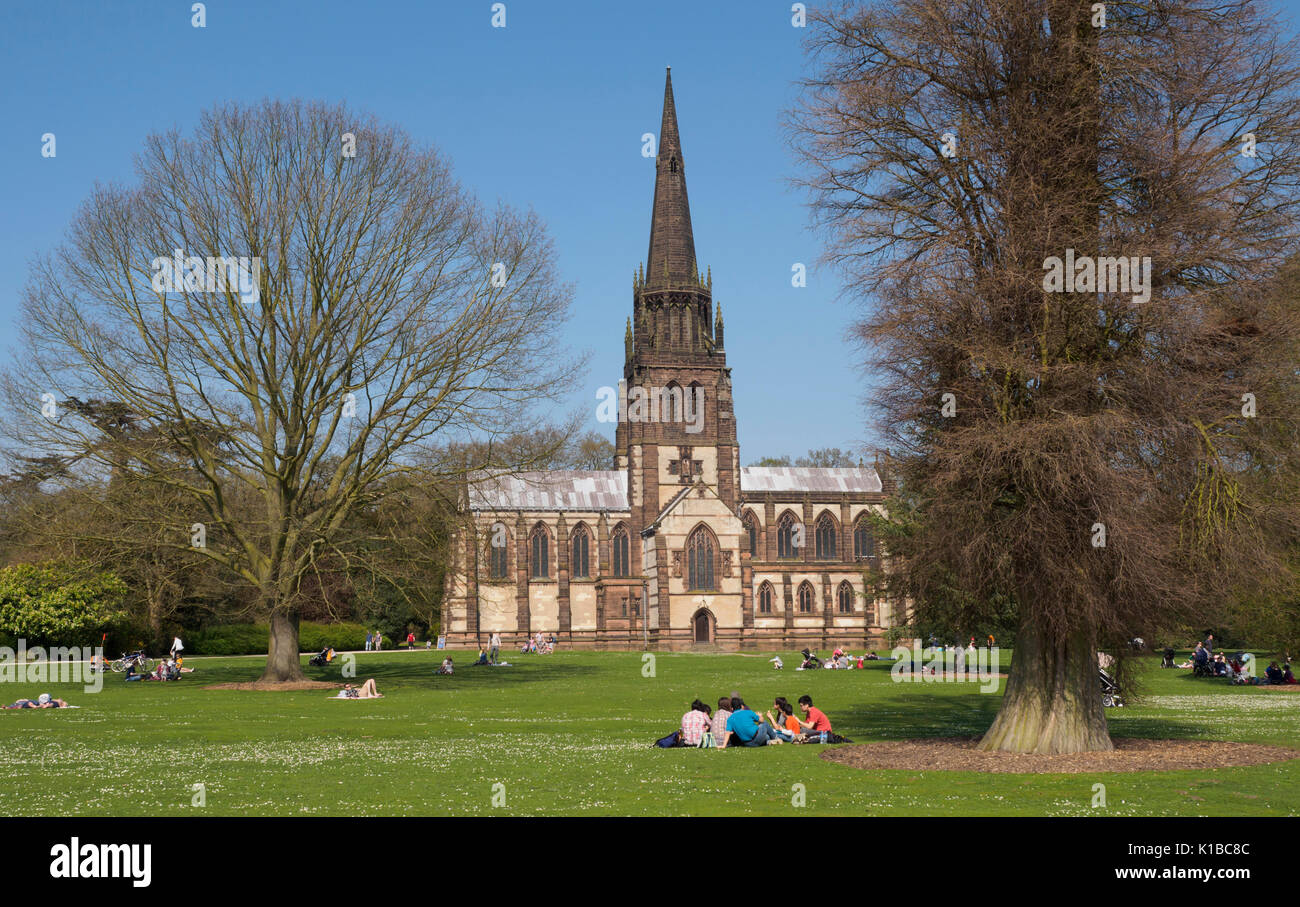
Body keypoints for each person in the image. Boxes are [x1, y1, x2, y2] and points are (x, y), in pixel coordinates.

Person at [3, 693, 68, 709]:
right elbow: (29, 703)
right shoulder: (30, 703)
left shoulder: (52, 702)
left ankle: (7, 707)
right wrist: (35, 706)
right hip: (21, 703)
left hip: (20, 703)